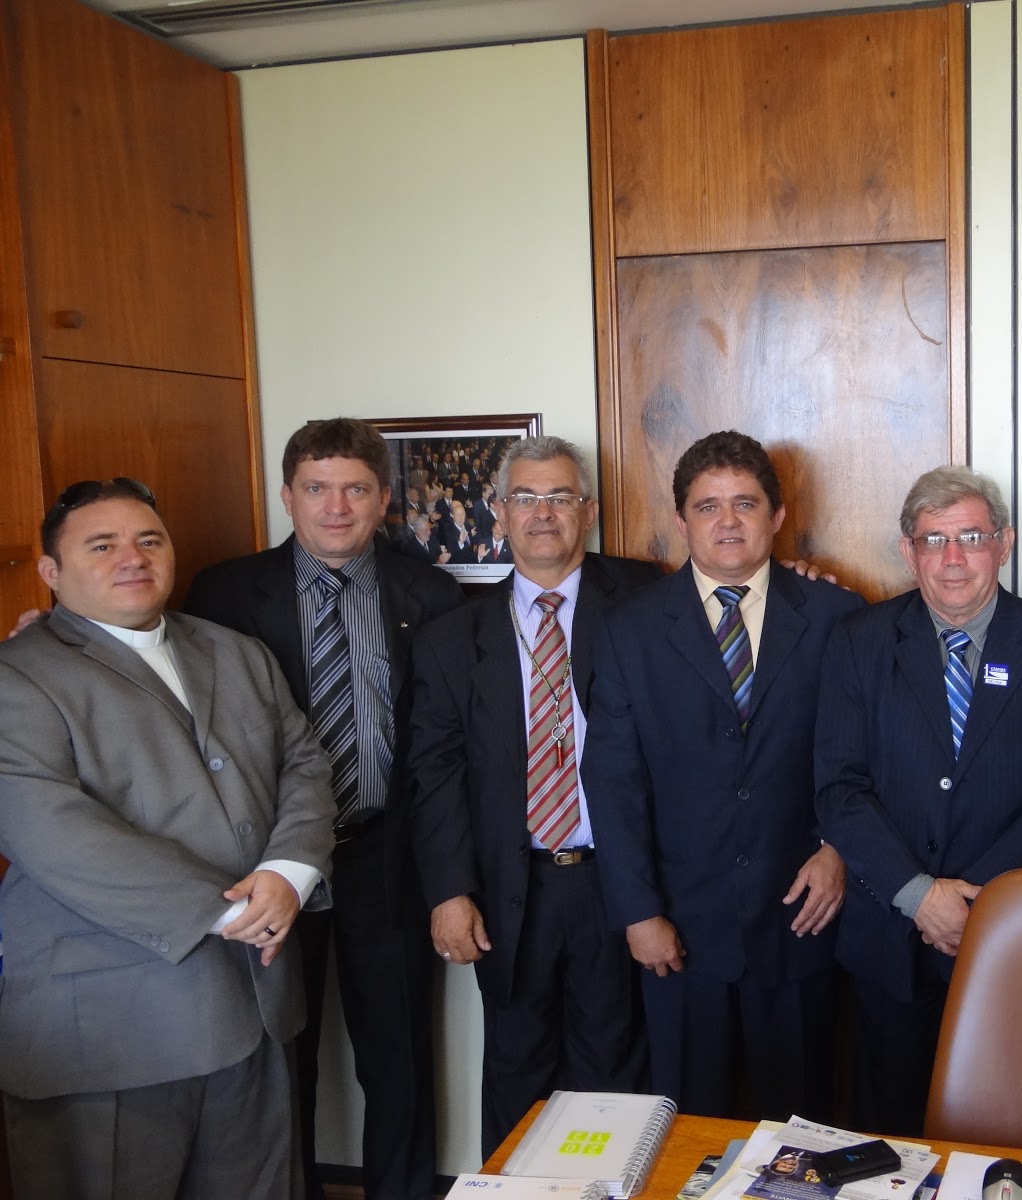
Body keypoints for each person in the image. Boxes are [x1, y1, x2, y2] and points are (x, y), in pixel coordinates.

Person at [0, 478, 334, 1199]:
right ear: (51, 571)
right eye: (102, 545)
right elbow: (52, 831)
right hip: (111, 1027)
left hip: (256, 1006)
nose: (133, 557)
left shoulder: (237, 652)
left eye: (149, 539)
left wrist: (289, 871)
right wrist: (229, 911)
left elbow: (305, 764)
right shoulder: (18, 676)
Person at [186, 418, 463, 1200]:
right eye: (317, 488)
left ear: (383, 499)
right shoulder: (224, 593)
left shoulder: (430, 594)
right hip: (269, 863)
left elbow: (447, 744)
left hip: (388, 855)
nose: (336, 507)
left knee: (398, 1059)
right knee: (280, 1061)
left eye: (355, 489)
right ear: (287, 496)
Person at [815, 465, 1022, 1136]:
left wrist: (977, 899)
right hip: (890, 939)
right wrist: (920, 896)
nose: (953, 559)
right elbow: (839, 787)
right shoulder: (859, 643)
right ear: (908, 549)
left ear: (1004, 544)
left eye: (972, 537)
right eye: (934, 539)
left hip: (1009, 936)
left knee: (1003, 1130)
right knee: (890, 1136)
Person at [583, 430, 865, 1120]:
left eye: (745, 503)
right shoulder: (629, 630)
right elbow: (613, 782)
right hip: (679, 927)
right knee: (687, 1126)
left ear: (777, 515)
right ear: (681, 522)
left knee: (800, 1131)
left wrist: (839, 851)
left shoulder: (839, 617)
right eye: (707, 507)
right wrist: (639, 911)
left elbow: (867, 757)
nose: (728, 521)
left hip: (801, 918)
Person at [410, 435, 657, 1157]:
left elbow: (735, 590)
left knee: (616, 1076)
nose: (542, 513)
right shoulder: (451, 638)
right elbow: (434, 774)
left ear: (590, 511)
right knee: (517, 1079)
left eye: (560, 497)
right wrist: (449, 891)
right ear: (499, 512)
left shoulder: (649, 602)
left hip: (619, 882)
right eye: (525, 497)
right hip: (508, 889)